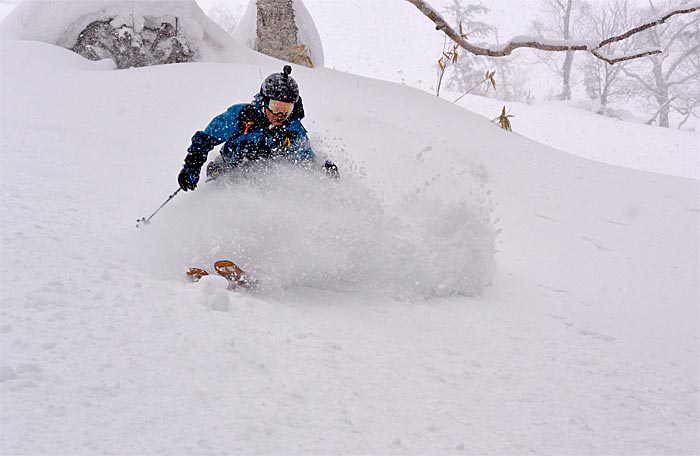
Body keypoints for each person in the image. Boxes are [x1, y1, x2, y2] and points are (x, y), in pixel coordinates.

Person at [178, 65, 338, 192]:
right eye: (275, 106)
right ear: (263, 102)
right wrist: (192, 166)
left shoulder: (293, 130)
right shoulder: (241, 116)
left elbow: (305, 159)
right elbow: (206, 139)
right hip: (228, 170)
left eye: (286, 109)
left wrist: (322, 170)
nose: (280, 114)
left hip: (264, 178)